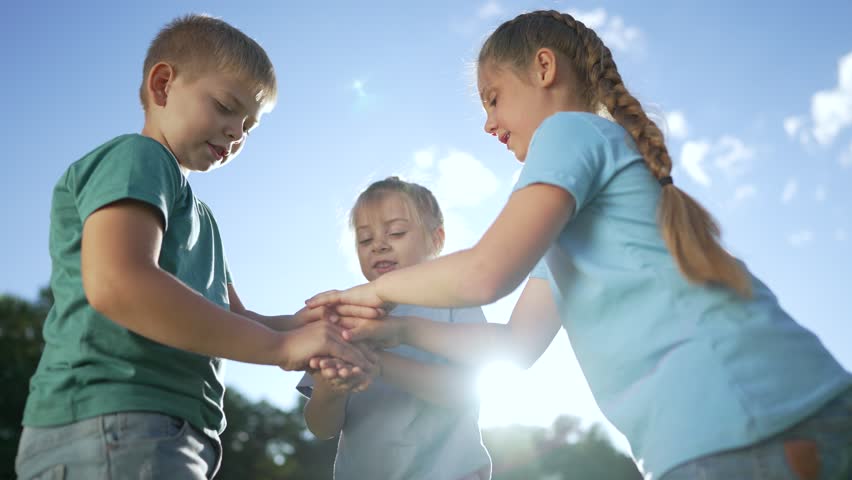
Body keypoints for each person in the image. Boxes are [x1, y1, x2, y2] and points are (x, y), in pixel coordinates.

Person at [307, 10, 852, 480]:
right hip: (746, 420)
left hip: (745, 417)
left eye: (493, 98)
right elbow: (513, 350)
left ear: (544, 68)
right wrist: (396, 330)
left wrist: (371, 294)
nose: (488, 122)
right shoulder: (567, 231)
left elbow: (484, 274)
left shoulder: (570, 132)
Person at [15, 14, 375, 480]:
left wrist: (307, 325)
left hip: (170, 431)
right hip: (112, 418)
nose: (236, 133)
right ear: (163, 85)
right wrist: (280, 345)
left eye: (250, 125)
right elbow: (118, 283)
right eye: (226, 106)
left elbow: (232, 316)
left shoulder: (202, 219)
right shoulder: (137, 157)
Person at [299, 177, 492, 480]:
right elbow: (321, 427)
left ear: (436, 239)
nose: (379, 245)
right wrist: (329, 389)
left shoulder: (454, 302)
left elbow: (462, 391)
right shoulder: (346, 315)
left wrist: (377, 365)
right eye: (365, 239)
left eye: (397, 232)